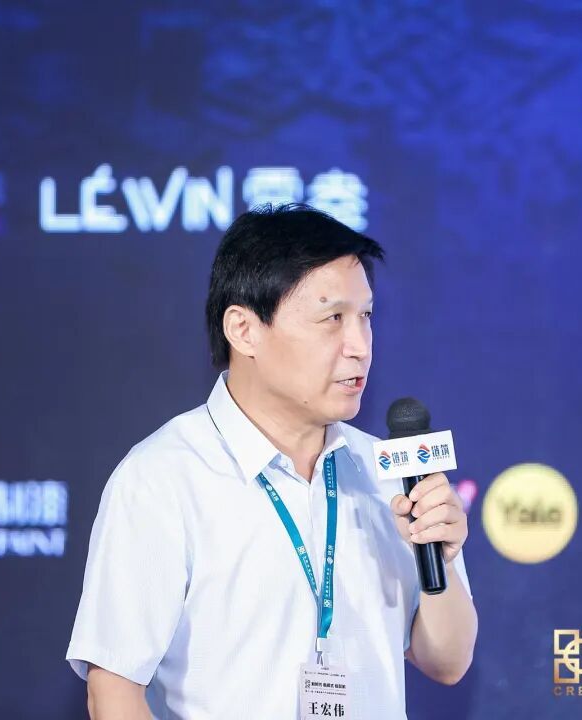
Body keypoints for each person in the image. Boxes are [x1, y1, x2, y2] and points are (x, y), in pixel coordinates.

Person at [66, 204, 478, 719]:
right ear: (243, 329)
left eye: (366, 317)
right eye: (333, 319)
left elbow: (448, 662)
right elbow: (113, 690)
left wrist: (443, 557)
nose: (359, 346)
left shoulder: (387, 472)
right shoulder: (163, 478)